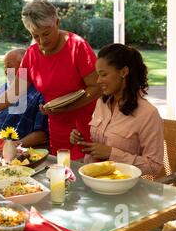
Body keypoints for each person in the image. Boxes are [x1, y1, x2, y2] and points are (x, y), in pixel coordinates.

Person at [0, 0, 101, 160]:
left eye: (46, 33)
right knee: (61, 175)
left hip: (84, 128)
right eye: (36, 35)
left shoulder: (77, 46)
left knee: (83, 175)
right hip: (57, 128)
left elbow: (97, 88)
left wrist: (67, 108)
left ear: (57, 22)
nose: (42, 41)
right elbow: (14, 93)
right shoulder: (32, 54)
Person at [69, 43, 164, 176]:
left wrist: (112, 154)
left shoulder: (148, 114)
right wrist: (80, 139)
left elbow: (154, 166)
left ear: (123, 72)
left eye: (103, 75)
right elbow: (99, 144)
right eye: (98, 75)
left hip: (124, 188)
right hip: (91, 179)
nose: (98, 81)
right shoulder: (101, 103)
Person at [0, 48, 48, 148]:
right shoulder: (3, 88)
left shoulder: (40, 94)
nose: (6, 72)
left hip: (9, 152)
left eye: (9, 67)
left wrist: (12, 146)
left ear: (25, 68)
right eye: (4, 67)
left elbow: (42, 135)